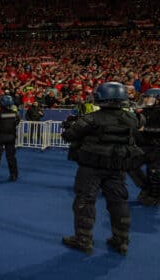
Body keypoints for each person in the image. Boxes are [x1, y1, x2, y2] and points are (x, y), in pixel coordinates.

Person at [61, 82, 143, 255]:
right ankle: (121, 241)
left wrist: (69, 126)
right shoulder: (132, 119)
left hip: (91, 167)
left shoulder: (90, 119)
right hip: (117, 167)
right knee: (118, 202)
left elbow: (69, 136)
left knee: (85, 201)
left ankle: (83, 240)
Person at [131, 88, 160, 206]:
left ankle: (154, 197)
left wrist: (145, 129)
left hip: (159, 146)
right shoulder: (146, 111)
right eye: (145, 97)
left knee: (154, 171)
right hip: (145, 145)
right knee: (129, 164)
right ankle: (145, 187)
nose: (145, 99)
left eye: (148, 97)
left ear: (158, 100)